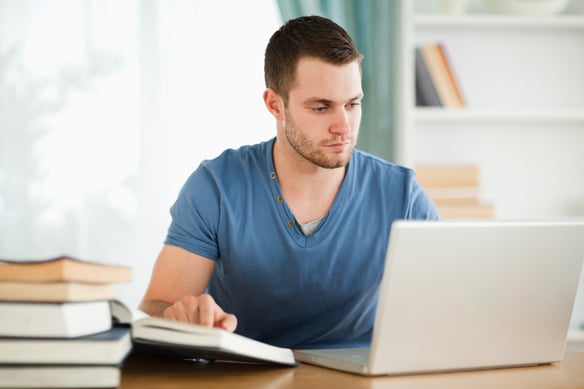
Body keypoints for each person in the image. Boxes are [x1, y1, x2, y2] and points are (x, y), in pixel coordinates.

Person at [139, 15, 439, 349]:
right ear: (274, 105)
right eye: (321, 107)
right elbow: (155, 307)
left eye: (352, 104)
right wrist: (180, 317)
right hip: (245, 376)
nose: (344, 126)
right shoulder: (216, 187)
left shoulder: (402, 195)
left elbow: (448, 307)